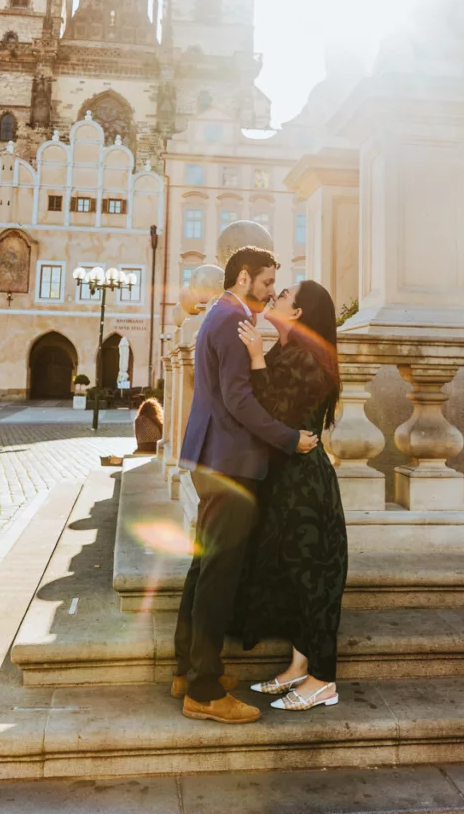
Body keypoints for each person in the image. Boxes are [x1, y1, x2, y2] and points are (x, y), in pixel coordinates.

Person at [173, 247, 319, 725]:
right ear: (243, 277)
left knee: (205, 566)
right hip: (230, 463)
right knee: (219, 572)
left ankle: (190, 668)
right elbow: (238, 398)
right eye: (266, 281)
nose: (271, 290)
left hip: (212, 457)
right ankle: (204, 690)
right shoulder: (235, 321)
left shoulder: (221, 312)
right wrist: (288, 438)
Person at [235, 279, 347, 712]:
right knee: (291, 578)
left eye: (282, 296)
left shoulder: (308, 358)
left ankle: (323, 680)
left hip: (306, 486)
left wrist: (257, 360)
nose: (273, 298)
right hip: (285, 480)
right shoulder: (286, 351)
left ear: (297, 313)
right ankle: (298, 667)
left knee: (311, 581)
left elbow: (274, 415)